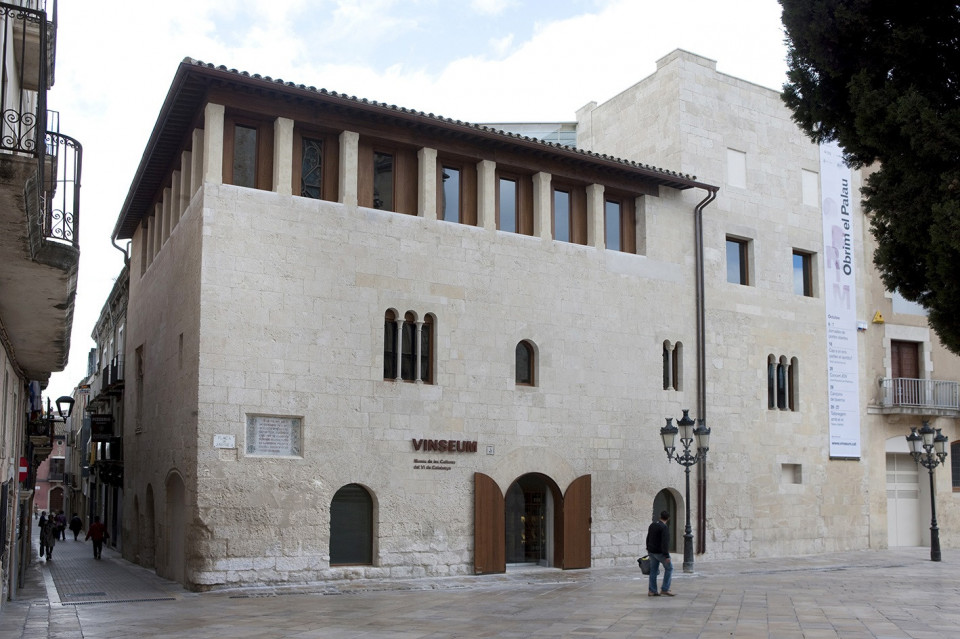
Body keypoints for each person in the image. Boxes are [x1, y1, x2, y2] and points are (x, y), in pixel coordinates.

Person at [645, 510, 673, 597]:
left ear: (660, 516)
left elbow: (648, 537)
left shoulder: (652, 525)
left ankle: (652, 590)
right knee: (669, 568)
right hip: (660, 553)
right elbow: (665, 543)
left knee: (653, 570)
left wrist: (648, 548)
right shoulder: (664, 528)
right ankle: (665, 589)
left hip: (651, 552)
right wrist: (667, 556)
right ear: (668, 518)